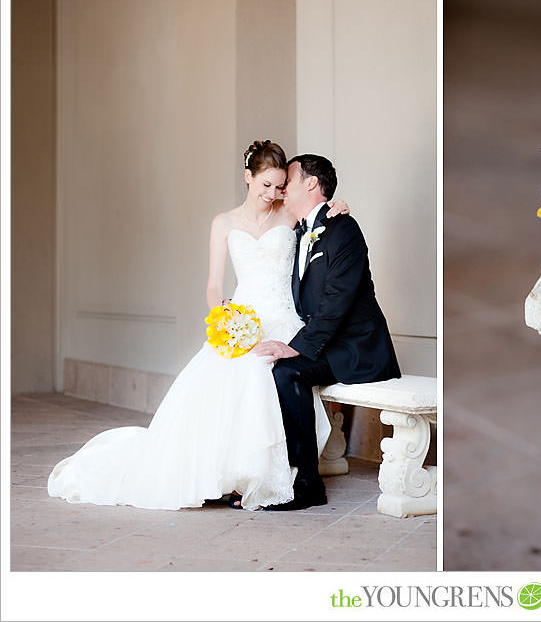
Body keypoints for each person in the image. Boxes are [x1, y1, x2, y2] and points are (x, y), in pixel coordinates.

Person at [47, 141, 348, 510]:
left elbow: (320, 216)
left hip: (284, 319)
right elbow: (213, 286)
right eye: (265, 185)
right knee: (234, 373)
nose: (272, 194)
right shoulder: (224, 223)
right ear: (248, 177)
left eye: (279, 186)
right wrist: (227, 322)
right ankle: (228, 474)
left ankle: (265, 475)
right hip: (243, 318)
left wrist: (338, 206)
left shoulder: (288, 214)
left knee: (272, 372)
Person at [252, 154, 401, 511]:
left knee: (289, 371)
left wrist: (296, 347)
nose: (283, 186)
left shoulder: (344, 229)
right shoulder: (300, 230)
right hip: (328, 343)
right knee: (266, 369)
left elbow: (338, 299)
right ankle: (271, 474)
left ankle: (308, 484)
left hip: (356, 347)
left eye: (290, 177)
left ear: (311, 183)